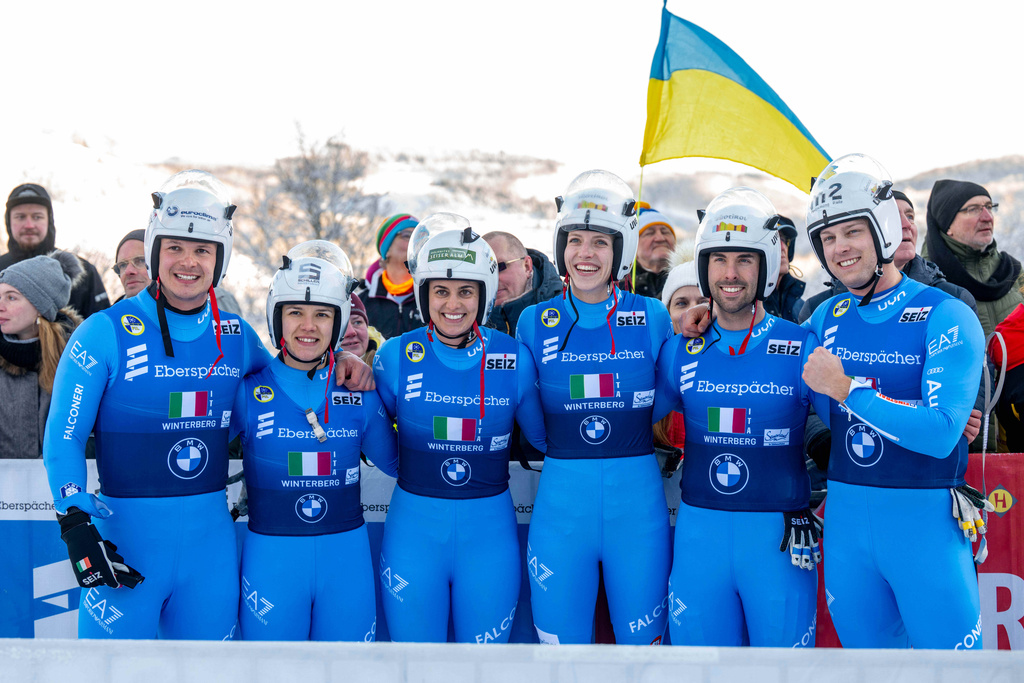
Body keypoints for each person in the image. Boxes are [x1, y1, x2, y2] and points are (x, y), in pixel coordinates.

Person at [42, 170, 374, 640]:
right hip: (125, 543)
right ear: (156, 249)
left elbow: (292, 370)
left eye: (203, 250)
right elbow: (63, 436)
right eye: (175, 247)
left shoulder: (235, 335)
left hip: (210, 554)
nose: (188, 262)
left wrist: (340, 356)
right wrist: (74, 519)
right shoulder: (103, 332)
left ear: (221, 258)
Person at [799, 154, 987, 649]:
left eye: (851, 232)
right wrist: (702, 320)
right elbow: (760, 367)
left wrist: (846, 389)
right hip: (846, 536)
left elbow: (942, 431)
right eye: (827, 238)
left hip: (925, 532)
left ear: (882, 231)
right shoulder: (824, 318)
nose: (839, 249)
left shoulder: (944, 313)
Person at [653, 188, 819, 647]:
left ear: (766, 266)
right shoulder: (680, 348)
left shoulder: (799, 344)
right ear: (703, 267)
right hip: (699, 539)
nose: (730, 273)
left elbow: (843, 423)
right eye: (718, 259)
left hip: (777, 543)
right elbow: (629, 418)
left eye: (744, 260)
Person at [516, 170, 672, 645]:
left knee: (644, 655)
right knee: (561, 657)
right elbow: (528, 411)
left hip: (638, 510)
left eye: (600, 243)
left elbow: (663, 401)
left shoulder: (651, 316)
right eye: (575, 240)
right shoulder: (532, 321)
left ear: (620, 250)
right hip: (562, 509)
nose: (585, 253)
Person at [373, 216, 546, 643]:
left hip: (489, 540)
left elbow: (545, 441)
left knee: (484, 669)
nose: (454, 303)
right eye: (442, 291)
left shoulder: (514, 357)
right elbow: (374, 438)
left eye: (466, 291)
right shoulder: (394, 356)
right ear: (424, 293)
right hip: (413, 537)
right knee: (414, 669)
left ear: (483, 295)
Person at [231, 240, 397, 641]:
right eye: (295, 312)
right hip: (271, 565)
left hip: (347, 567)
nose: (308, 325)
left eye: (322, 314)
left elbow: (405, 468)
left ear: (338, 322)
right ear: (277, 318)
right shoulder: (246, 392)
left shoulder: (358, 390)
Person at [799, 191, 977, 323]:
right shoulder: (818, 310)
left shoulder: (951, 299)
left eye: (910, 216)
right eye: (894, 218)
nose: (906, 225)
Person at [0, 250, 82, 458]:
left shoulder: (80, 361)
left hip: (60, 486)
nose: (0, 306)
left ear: (40, 306)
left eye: (11, 297)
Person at [923, 179, 1024, 338]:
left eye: (989, 207)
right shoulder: (924, 280)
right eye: (973, 209)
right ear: (947, 224)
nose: (987, 217)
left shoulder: (1013, 270)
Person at [3, 183, 109, 318]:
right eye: (20, 217)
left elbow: (102, 330)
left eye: (37, 217)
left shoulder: (83, 272)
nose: (29, 225)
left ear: (49, 221)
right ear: (8, 222)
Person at [112, 228, 243, 315]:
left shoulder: (223, 301)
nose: (128, 271)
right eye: (122, 265)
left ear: (156, 261)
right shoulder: (110, 320)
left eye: (140, 261)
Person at [483, 231, 562, 336]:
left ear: (527, 266)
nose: (492, 279)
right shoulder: (469, 320)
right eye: (483, 271)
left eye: (499, 267)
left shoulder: (566, 310)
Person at [359, 213, 424, 339]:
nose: (415, 243)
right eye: (407, 236)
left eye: (420, 238)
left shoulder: (430, 297)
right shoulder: (361, 303)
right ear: (387, 249)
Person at [624, 202, 676, 299]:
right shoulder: (617, 285)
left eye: (665, 232)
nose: (660, 238)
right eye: (649, 233)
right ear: (633, 245)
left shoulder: (691, 277)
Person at [762, 216, 806, 323]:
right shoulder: (744, 309)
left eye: (783, 240)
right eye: (774, 240)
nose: (782, 247)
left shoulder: (801, 307)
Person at [341, 292, 384, 366]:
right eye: (340, 325)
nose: (351, 332)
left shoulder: (391, 365)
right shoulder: (316, 374)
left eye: (357, 322)